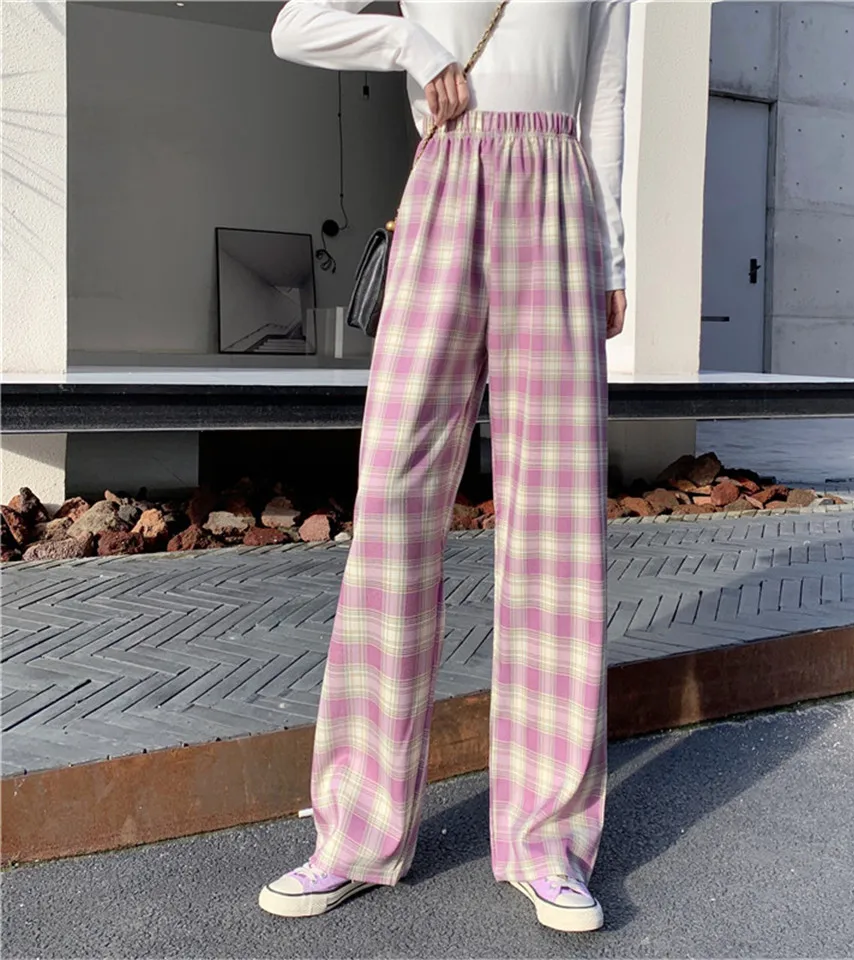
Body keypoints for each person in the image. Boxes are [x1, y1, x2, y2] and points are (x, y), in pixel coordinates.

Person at [259, 0, 628, 933]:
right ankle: (355, 829)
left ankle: (547, 839)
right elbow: (294, 25)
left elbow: (608, 94)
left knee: (555, 516)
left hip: (559, 195)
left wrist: (614, 252)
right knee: (392, 499)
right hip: (446, 179)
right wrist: (409, 41)